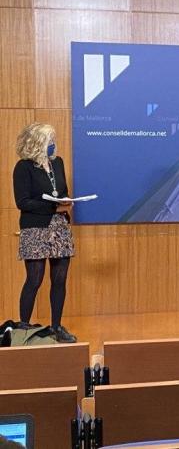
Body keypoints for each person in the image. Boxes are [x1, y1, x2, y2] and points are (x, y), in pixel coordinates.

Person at [12, 123, 77, 343]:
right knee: (34, 279)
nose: (53, 144)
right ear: (37, 142)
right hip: (35, 230)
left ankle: (56, 327)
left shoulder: (57, 163)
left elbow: (63, 191)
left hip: (59, 228)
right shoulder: (23, 167)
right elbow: (23, 202)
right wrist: (52, 207)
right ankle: (23, 328)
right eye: (49, 140)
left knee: (59, 279)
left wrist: (66, 202)